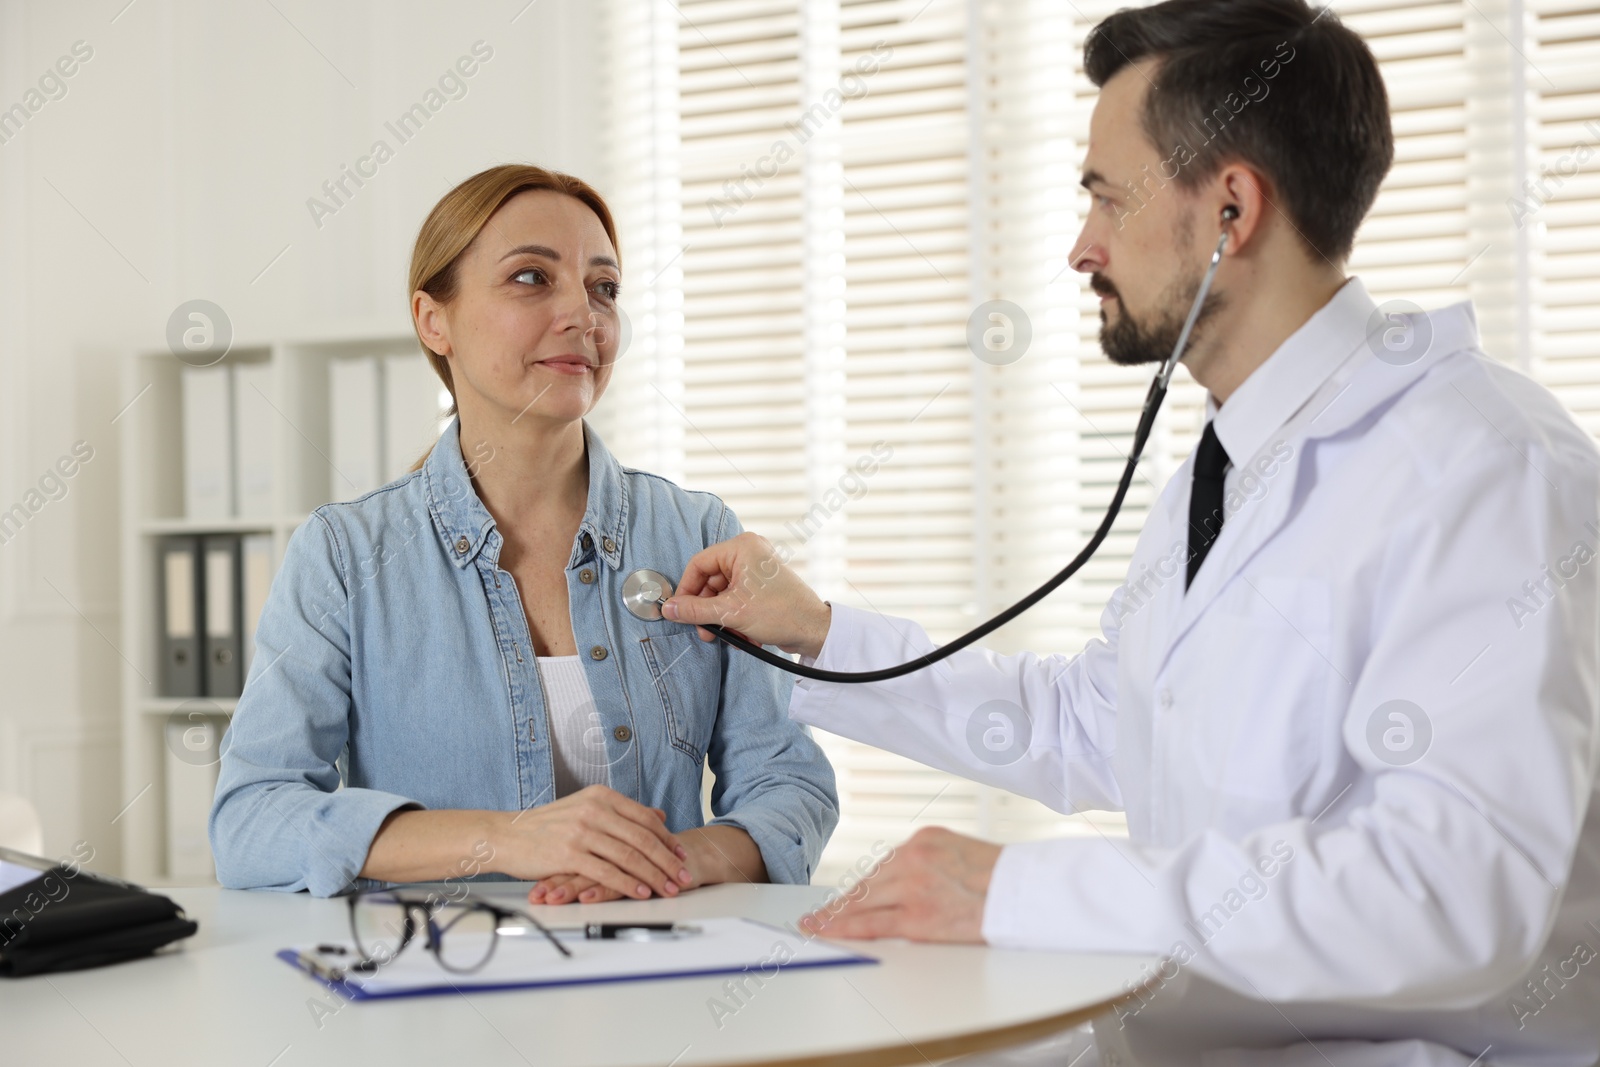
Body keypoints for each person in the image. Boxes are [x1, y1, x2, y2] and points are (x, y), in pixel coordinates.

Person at [658, 2, 1600, 1063]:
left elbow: (1452, 890)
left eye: (1106, 197)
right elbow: (1106, 720)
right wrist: (816, 631)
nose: (1080, 247)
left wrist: (1016, 888)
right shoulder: (1230, 462)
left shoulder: (1484, 469)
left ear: (1231, 209)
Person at [209, 164, 838, 904]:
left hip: (662, 975)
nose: (584, 314)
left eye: (603, 287)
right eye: (533, 278)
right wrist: (508, 838)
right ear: (432, 318)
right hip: (445, 988)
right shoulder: (345, 556)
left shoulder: (699, 533)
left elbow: (789, 786)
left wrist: (670, 860)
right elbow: (251, 819)